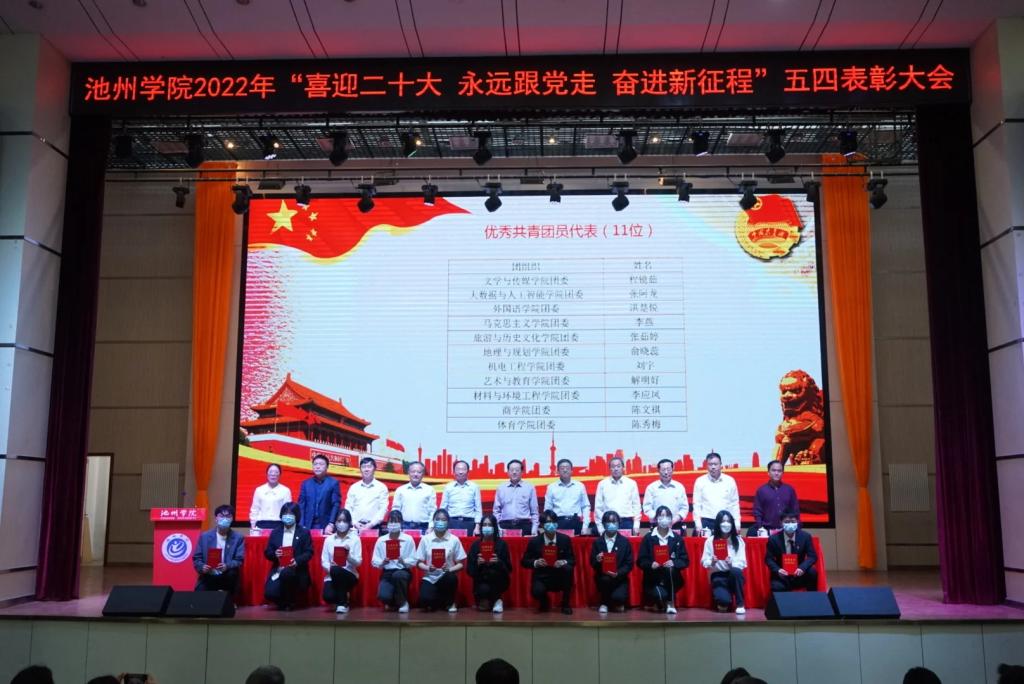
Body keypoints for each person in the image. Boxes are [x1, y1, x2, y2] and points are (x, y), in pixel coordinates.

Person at [637, 504, 689, 613]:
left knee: (670, 570)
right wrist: (650, 564)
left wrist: (674, 562)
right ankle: (660, 602)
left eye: (667, 516)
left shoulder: (677, 538)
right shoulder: (648, 538)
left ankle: (670, 602)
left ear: (671, 519)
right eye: (661, 516)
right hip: (653, 579)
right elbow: (640, 560)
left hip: (672, 577)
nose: (664, 519)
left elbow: (685, 560)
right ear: (656, 519)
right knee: (661, 596)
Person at [522, 509, 575, 614]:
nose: (551, 524)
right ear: (542, 525)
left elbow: (572, 560)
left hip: (559, 575)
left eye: (553, 522)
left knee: (568, 569)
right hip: (543, 576)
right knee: (537, 591)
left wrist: (563, 562)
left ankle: (565, 604)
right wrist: (536, 562)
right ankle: (544, 602)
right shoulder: (535, 541)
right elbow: (524, 561)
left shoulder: (565, 539)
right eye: (548, 522)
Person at [263, 501, 313, 610]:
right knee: (269, 593)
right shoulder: (276, 532)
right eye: (285, 514)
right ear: (281, 515)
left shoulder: (304, 532)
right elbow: (267, 552)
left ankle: (290, 602)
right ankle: (283, 601)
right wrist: (275, 554)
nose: (288, 516)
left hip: (297, 570)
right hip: (279, 569)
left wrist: (297, 561)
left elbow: (309, 552)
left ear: (296, 516)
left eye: (291, 514)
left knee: (287, 573)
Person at [415, 508, 467, 612]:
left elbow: (461, 564)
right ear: (433, 521)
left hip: (446, 577)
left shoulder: (454, 539)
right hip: (430, 578)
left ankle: (450, 602)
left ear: (448, 522)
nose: (440, 522)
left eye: (443, 520)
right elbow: (418, 563)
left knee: (451, 578)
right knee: (425, 601)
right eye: (437, 519)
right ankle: (440, 601)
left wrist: (449, 569)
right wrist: (428, 568)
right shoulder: (426, 539)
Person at [371, 509, 418, 613]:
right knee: (383, 596)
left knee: (398, 575)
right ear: (387, 523)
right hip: (387, 572)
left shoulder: (408, 539)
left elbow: (414, 560)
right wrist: (383, 563)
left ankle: (403, 602)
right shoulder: (381, 540)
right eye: (391, 521)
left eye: (396, 521)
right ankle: (393, 602)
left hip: (403, 571)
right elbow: (374, 561)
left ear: (401, 523)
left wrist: (403, 561)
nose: (393, 524)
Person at [192, 504, 245, 594]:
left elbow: (239, 560)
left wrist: (227, 566)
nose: (224, 519)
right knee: (199, 595)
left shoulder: (238, 538)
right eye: (221, 516)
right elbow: (197, 558)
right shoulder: (205, 536)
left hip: (227, 575)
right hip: (208, 574)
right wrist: (202, 567)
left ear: (232, 519)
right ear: (216, 518)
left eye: (228, 516)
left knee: (231, 576)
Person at [701, 509, 747, 614]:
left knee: (736, 571)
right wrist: (711, 562)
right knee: (723, 604)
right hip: (718, 576)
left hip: (734, 575)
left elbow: (743, 562)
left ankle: (740, 604)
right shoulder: (710, 541)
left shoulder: (738, 541)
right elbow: (704, 561)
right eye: (723, 521)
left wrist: (732, 564)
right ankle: (725, 596)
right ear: (718, 523)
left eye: (728, 521)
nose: (726, 524)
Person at [589, 510, 634, 613]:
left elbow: (629, 564)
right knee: (605, 580)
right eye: (608, 522)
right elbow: (592, 562)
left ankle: (615, 602)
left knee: (618, 598)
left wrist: (618, 573)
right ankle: (604, 603)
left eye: (614, 522)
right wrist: (597, 560)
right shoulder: (597, 542)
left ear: (618, 523)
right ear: (603, 524)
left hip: (620, 578)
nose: (611, 524)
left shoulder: (624, 542)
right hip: (603, 578)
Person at [466, 513, 512, 612]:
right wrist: (477, 564)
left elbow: (509, 569)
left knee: (494, 575)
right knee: (483, 605)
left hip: (498, 580)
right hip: (481, 580)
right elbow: (469, 570)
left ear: (494, 527)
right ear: (481, 527)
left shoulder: (502, 544)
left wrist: (499, 562)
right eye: (484, 525)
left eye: (490, 525)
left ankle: (497, 600)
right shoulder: (475, 545)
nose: (487, 527)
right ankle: (488, 601)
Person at [764, 510, 818, 592]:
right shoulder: (773, 539)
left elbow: (812, 556)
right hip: (782, 575)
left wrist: (802, 568)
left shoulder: (805, 537)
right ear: (781, 523)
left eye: (793, 521)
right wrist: (778, 570)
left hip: (799, 573)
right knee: (776, 587)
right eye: (787, 522)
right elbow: (768, 559)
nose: (790, 524)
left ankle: (813, 598)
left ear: (797, 522)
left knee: (812, 572)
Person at [321, 508, 362, 613]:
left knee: (337, 570)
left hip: (349, 574)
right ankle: (344, 595)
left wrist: (349, 557)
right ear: (335, 522)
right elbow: (324, 561)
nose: (341, 523)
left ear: (349, 523)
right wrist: (330, 567)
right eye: (339, 521)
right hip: (332, 574)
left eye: (344, 521)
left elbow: (358, 562)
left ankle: (343, 604)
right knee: (328, 596)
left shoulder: (355, 539)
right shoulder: (329, 540)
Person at [692, 452, 741, 536]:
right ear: (707, 465)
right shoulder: (700, 481)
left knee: (726, 544)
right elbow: (696, 504)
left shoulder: (730, 481)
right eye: (710, 464)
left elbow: (734, 504)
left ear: (721, 465)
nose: (713, 467)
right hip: (706, 522)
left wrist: (737, 522)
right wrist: (698, 523)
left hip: (725, 522)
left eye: (715, 464)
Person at [749, 459, 800, 537]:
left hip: (787, 531)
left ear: (782, 473)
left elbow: (795, 511)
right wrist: (760, 528)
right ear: (768, 472)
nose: (776, 473)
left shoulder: (789, 490)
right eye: (773, 470)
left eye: (779, 471)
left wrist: (796, 528)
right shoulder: (761, 491)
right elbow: (757, 512)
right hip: (767, 531)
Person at [594, 456, 641, 535]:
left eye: (618, 466)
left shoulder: (631, 483)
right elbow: (598, 507)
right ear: (610, 469)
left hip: (626, 522)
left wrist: (636, 525)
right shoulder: (602, 484)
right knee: (609, 543)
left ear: (623, 468)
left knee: (625, 543)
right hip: (608, 522)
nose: (616, 469)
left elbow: (636, 506)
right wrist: (600, 526)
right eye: (613, 467)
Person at [543, 458, 591, 534]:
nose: (565, 470)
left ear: (572, 471)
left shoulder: (580, 486)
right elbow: (548, 509)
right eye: (562, 468)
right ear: (557, 471)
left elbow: (585, 506)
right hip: (558, 522)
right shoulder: (551, 487)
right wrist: (550, 526)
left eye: (567, 468)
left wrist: (585, 526)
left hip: (575, 522)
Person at [297, 454, 341, 535]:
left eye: (321, 464)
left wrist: (331, 524)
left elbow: (336, 505)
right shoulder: (306, 484)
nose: (317, 467)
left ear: (327, 467)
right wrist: (301, 525)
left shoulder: (333, 483)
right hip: (308, 525)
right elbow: (301, 506)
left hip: (326, 526)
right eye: (315, 464)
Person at [492, 459, 539, 535]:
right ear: (508, 472)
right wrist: (497, 528)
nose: (514, 472)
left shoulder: (529, 487)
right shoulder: (501, 488)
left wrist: (534, 528)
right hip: (505, 525)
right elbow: (496, 511)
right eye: (511, 470)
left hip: (525, 525)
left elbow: (534, 512)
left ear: (522, 472)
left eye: (517, 470)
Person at [641, 458, 689, 530]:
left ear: (672, 470)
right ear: (658, 470)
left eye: (668, 469)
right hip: (656, 525)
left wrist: (673, 520)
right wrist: (658, 519)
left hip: (676, 525)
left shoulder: (679, 487)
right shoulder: (651, 488)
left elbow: (684, 508)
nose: (666, 472)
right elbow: (647, 508)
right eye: (663, 470)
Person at [344, 457, 389, 534]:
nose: (366, 469)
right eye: (363, 467)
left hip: (374, 527)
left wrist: (371, 524)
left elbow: (383, 509)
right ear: (360, 469)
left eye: (369, 466)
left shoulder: (381, 487)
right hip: (355, 527)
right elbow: (348, 507)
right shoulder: (354, 487)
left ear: (374, 469)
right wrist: (354, 523)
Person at [391, 461, 437, 532]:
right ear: (408, 473)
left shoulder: (429, 490)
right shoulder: (400, 490)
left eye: (419, 472)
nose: (415, 474)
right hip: (404, 526)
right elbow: (396, 509)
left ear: (423, 474)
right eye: (413, 471)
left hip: (424, 527)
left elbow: (432, 510)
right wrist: (397, 525)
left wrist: (431, 527)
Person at [440, 459, 483, 534]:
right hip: (452, 522)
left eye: (463, 469)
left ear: (468, 472)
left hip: (469, 522)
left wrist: (477, 526)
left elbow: (478, 509)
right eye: (458, 469)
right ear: (454, 472)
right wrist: (442, 524)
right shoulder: (448, 487)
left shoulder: (474, 487)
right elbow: (443, 508)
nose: (460, 472)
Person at [249, 463, 292, 531]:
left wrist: (288, 527)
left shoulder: (286, 490)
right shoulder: (259, 490)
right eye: (271, 472)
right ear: (267, 474)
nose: (273, 474)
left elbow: (287, 511)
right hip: (261, 524)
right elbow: (255, 509)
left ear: (280, 475)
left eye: (276, 472)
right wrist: (253, 525)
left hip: (279, 524)